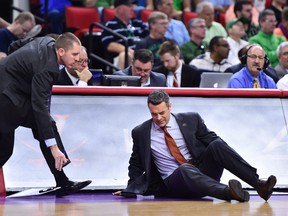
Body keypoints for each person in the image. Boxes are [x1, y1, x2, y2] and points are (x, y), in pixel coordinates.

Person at [113, 89, 277, 202]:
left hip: (201, 173)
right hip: (174, 182)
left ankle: (259, 185)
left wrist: (223, 154)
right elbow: (135, 163)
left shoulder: (191, 119)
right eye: (153, 114)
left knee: (217, 144)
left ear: (170, 107)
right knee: (185, 169)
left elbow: (214, 141)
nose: (158, 118)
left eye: (162, 113)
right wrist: (131, 189)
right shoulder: (141, 132)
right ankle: (229, 193)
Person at [0, 32, 91, 196]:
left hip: (13, 93)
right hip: (6, 99)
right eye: (75, 54)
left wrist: (15, 70)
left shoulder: (48, 41)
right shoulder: (47, 69)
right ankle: (62, 177)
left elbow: (14, 46)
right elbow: (40, 107)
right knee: (4, 150)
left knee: (48, 125)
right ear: (61, 51)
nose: (78, 59)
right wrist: (54, 148)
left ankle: (62, 180)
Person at [101, 0, 149, 70]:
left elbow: (150, 36)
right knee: (125, 55)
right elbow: (109, 45)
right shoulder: (110, 24)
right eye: (129, 5)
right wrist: (130, 51)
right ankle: (121, 80)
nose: (132, 8)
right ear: (120, 9)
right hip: (123, 58)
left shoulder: (137, 22)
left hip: (143, 55)